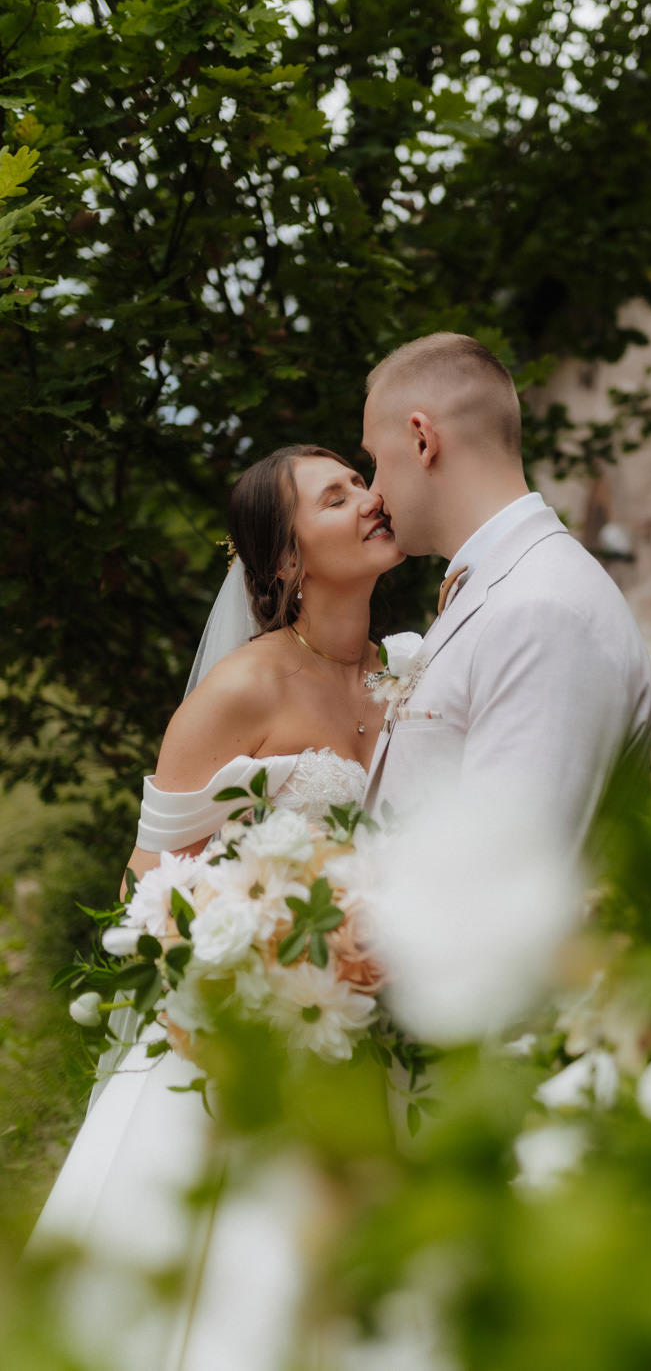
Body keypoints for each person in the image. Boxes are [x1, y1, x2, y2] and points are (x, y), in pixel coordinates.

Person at [31, 444, 403, 1371]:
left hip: (367, 1034)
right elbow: (143, 891)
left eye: (362, 481)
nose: (369, 497)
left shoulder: (410, 676)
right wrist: (263, 941)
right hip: (245, 1048)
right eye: (336, 495)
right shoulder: (241, 690)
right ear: (286, 560)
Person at [361, 332, 651, 848]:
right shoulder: (502, 585)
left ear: (421, 440)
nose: (373, 491)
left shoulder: (543, 609)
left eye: (375, 461)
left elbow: (508, 874)